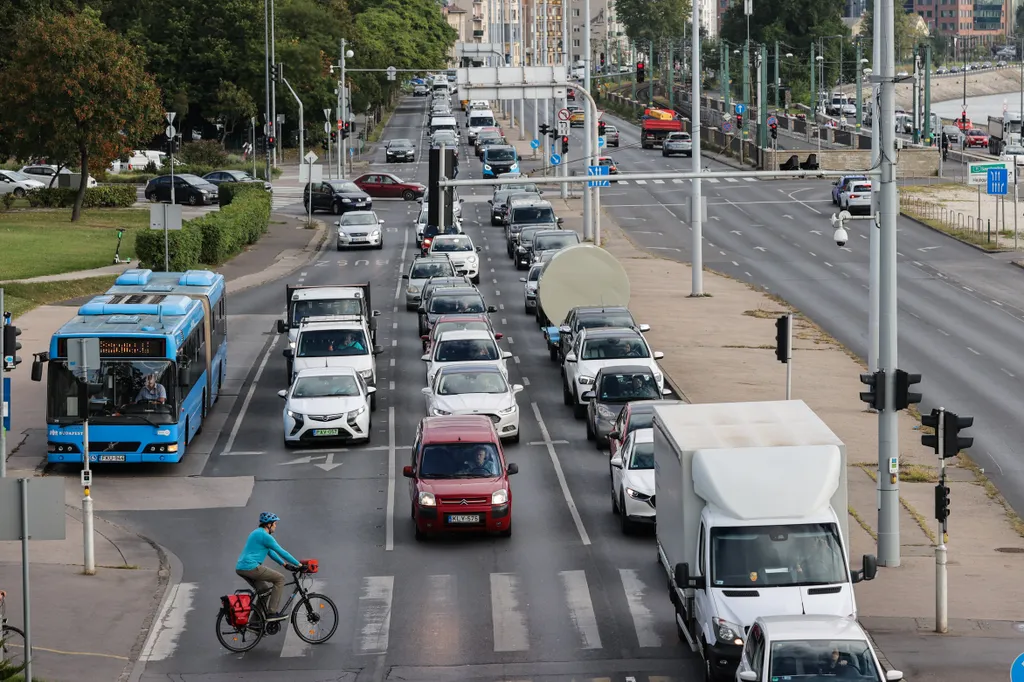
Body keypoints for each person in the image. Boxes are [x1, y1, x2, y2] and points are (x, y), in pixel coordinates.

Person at [235, 512, 302, 621]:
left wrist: (284, 564)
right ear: (269, 525)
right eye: (275, 524)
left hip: (242, 567)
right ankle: (272, 612)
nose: (276, 526)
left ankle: (254, 623)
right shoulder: (265, 536)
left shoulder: (256, 533)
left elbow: (270, 552)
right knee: (280, 579)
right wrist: (299, 564)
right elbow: (282, 552)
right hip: (251, 567)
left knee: (264, 591)